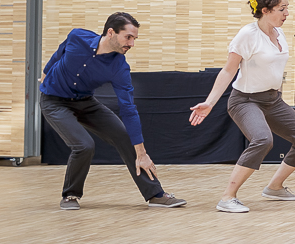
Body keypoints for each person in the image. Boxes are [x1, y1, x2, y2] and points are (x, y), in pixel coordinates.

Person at [189, 0, 295, 214]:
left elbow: (275, 70)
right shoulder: (247, 35)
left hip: (273, 100)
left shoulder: (278, 32)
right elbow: (229, 70)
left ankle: (275, 187)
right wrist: (210, 102)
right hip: (245, 100)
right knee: (262, 139)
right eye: (282, 9)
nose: (287, 13)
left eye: (287, 7)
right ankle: (227, 197)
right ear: (265, 10)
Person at [39, 12, 186, 210]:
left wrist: (141, 154)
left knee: (126, 137)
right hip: (54, 100)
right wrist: (46, 73)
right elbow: (59, 52)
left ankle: (155, 195)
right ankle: (70, 195)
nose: (132, 44)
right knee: (84, 145)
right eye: (128, 37)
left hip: (85, 102)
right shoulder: (77, 36)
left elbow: (128, 109)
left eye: (134, 39)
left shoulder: (119, 67)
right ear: (111, 32)